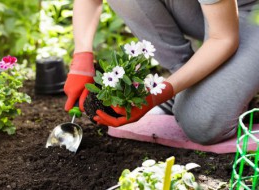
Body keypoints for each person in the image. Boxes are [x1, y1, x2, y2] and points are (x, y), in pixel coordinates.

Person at [64, 0, 259, 145]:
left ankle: (207, 89)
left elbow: (223, 38)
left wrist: (158, 95)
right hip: (211, 11)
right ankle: (187, 83)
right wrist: (81, 57)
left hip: (252, 14)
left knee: (200, 124)